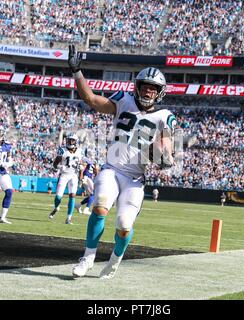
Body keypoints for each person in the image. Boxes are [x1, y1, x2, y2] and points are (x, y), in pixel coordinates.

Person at [68, 45, 176, 279]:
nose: (148, 92)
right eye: (145, 87)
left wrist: (161, 156)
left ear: (160, 92)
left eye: (152, 89)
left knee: (124, 226)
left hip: (135, 180)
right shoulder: (124, 100)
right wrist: (77, 72)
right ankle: (87, 257)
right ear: (137, 87)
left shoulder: (164, 116)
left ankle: (114, 262)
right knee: (99, 206)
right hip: (112, 169)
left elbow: (167, 155)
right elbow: (91, 99)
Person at [49, 132, 83, 225]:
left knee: (72, 195)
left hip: (74, 176)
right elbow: (55, 164)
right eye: (69, 140)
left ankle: (68, 218)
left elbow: (81, 163)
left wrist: (81, 171)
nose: (70, 142)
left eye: (72, 140)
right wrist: (60, 167)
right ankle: (56, 208)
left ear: (76, 141)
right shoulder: (62, 150)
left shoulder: (80, 151)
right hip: (64, 175)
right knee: (58, 196)